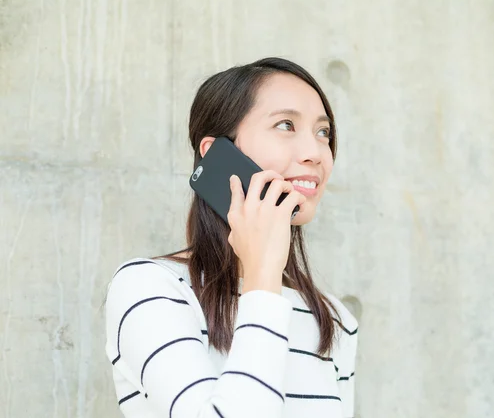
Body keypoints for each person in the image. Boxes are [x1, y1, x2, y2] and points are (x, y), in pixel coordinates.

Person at [104, 57, 358, 418]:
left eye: (323, 133)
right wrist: (262, 279)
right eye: (286, 125)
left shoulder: (333, 319)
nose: (315, 154)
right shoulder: (150, 287)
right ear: (218, 153)